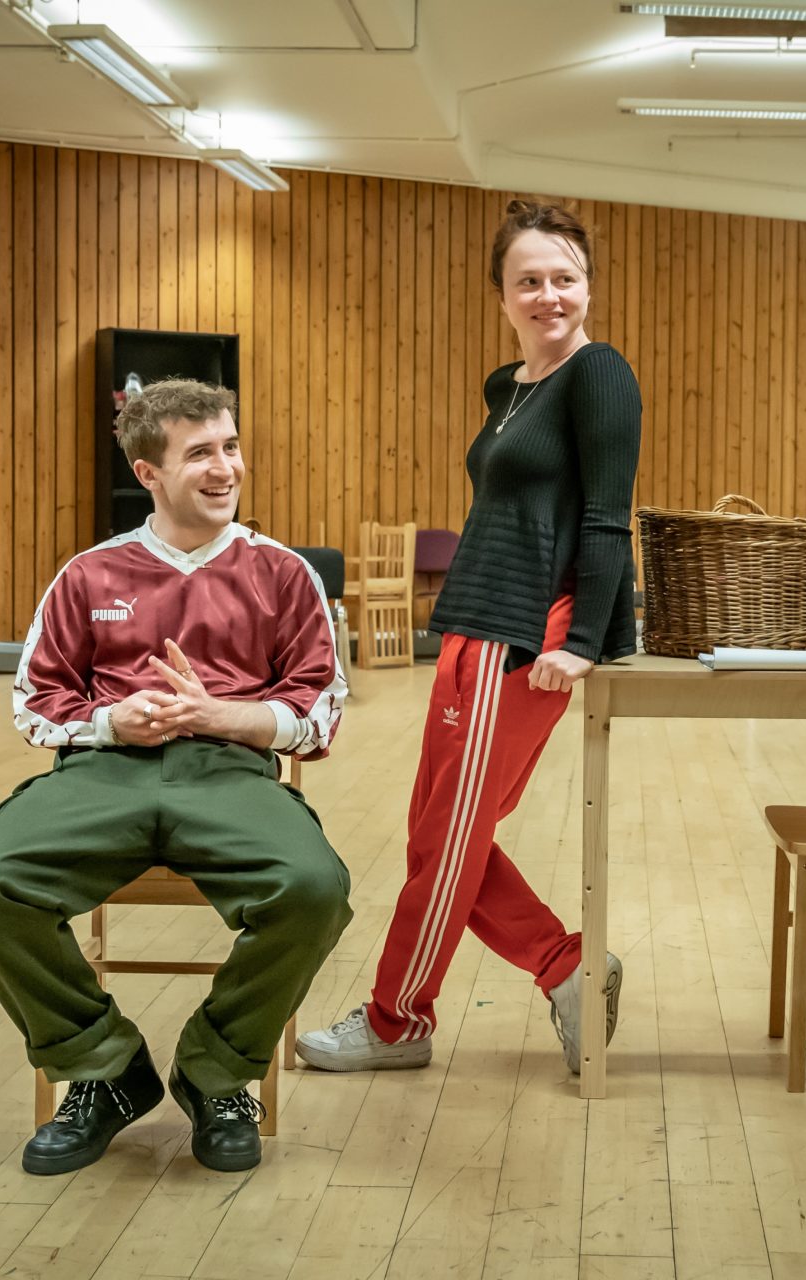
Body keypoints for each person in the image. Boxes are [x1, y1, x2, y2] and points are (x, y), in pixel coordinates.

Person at [0, 377, 350, 1174]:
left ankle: (216, 1073)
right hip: (103, 772)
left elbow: (320, 710)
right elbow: (34, 702)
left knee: (315, 890)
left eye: (230, 447)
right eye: (200, 453)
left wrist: (219, 716)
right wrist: (108, 721)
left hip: (228, 773)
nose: (225, 468)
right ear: (148, 473)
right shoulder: (89, 575)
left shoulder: (284, 574)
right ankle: (103, 1067)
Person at [298, 200, 642, 1075]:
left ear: (589, 287)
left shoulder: (599, 375)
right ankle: (567, 968)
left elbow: (606, 520)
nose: (548, 295)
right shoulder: (507, 389)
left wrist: (587, 641)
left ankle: (395, 1021)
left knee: (450, 833)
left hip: (529, 634)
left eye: (565, 278)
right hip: (471, 624)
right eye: (529, 280)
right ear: (501, 293)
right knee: (439, 830)